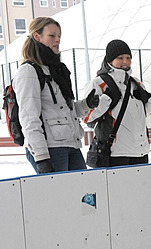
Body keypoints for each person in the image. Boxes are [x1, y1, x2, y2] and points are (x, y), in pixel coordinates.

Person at [13, 17, 98, 174]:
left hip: (71, 144)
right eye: (52, 36)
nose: (58, 40)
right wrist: (41, 157)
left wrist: (87, 104)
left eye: (59, 36)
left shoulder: (56, 71)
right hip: (50, 149)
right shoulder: (29, 72)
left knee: (83, 194)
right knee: (60, 196)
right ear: (37, 36)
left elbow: (67, 111)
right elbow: (29, 118)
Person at [83, 39, 151, 167]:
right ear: (110, 60)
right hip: (115, 153)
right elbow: (86, 117)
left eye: (128, 58)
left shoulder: (135, 83)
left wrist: (149, 101)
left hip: (140, 151)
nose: (125, 62)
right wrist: (105, 101)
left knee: (141, 187)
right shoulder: (99, 83)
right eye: (120, 58)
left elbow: (141, 116)